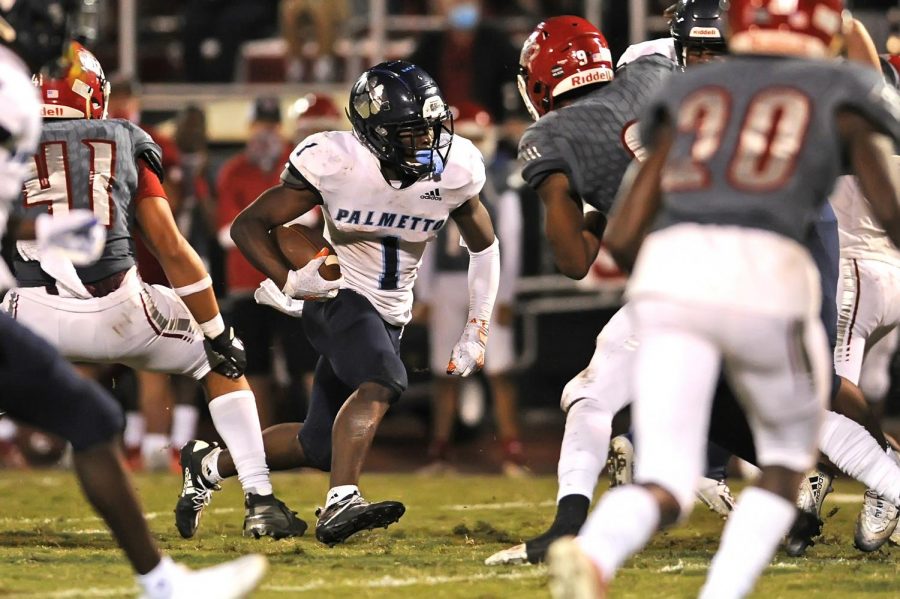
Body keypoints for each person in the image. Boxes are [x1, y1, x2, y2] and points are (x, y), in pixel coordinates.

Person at [547, 2, 900, 598]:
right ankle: (723, 590)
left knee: (665, 478)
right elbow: (889, 211)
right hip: (768, 278)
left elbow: (627, 233)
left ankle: (595, 552)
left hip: (673, 280)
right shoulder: (835, 91)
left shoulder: (684, 93)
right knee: (788, 466)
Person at [0, 0, 267, 596]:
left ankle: (163, 578)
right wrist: (220, 332)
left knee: (86, 415)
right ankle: (260, 494)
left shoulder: (20, 115)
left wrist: (37, 231)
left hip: (20, 309)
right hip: (115, 307)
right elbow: (173, 249)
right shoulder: (115, 133)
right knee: (206, 352)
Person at [180, 59, 500, 545]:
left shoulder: (455, 170)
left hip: (389, 313)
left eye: (431, 129)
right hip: (337, 293)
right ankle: (341, 501)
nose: (427, 143)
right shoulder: (338, 161)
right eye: (411, 132)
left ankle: (209, 464)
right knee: (385, 378)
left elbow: (485, 247)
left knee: (319, 445)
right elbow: (250, 225)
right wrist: (292, 280)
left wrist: (477, 327)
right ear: (374, 131)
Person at [415, 104, 526, 476]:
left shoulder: (498, 179)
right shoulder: (434, 177)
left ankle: (511, 452)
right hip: (448, 280)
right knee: (444, 371)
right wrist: (425, 293)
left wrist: (507, 295)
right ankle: (439, 453)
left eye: (478, 137)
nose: (474, 146)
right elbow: (426, 238)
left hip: (488, 281)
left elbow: (512, 239)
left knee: (499, 369)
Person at [217, 97, 316, 427]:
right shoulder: (235, 170)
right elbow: (226, 231)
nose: (267, 132)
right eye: (261, 125)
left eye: (272, 125)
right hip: (249, 284)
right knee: (255, 367)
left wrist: (263, 230)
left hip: (295, 284)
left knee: (307, 365)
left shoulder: (299, 164)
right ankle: (264, 446)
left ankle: (319, 440)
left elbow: (312, 218)